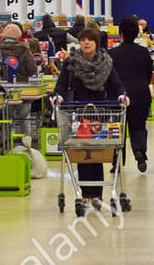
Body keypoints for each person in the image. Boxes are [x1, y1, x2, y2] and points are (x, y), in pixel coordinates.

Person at [52, 24, 128, 197]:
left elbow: (116, 84)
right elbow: (62, 84)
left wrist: (122, 95)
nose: (86, 43)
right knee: (82, 153)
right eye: (83, 40)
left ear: (97, 42)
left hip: (101, 113)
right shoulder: (70, 62)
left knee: (97, 153)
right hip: (78, 112)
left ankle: (97, 194)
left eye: (90, 40)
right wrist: (59, 96)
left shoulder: (106, 63)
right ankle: (86, 194)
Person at [110, 16, 154, 171]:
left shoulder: (113, 54)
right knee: (138, 127)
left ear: (120, 33)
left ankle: (116, 162)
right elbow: (149, 74)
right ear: (137, 34)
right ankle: (139, 151)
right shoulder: (143, 52)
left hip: (119, 97)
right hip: (141, 94)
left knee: (117, 128)